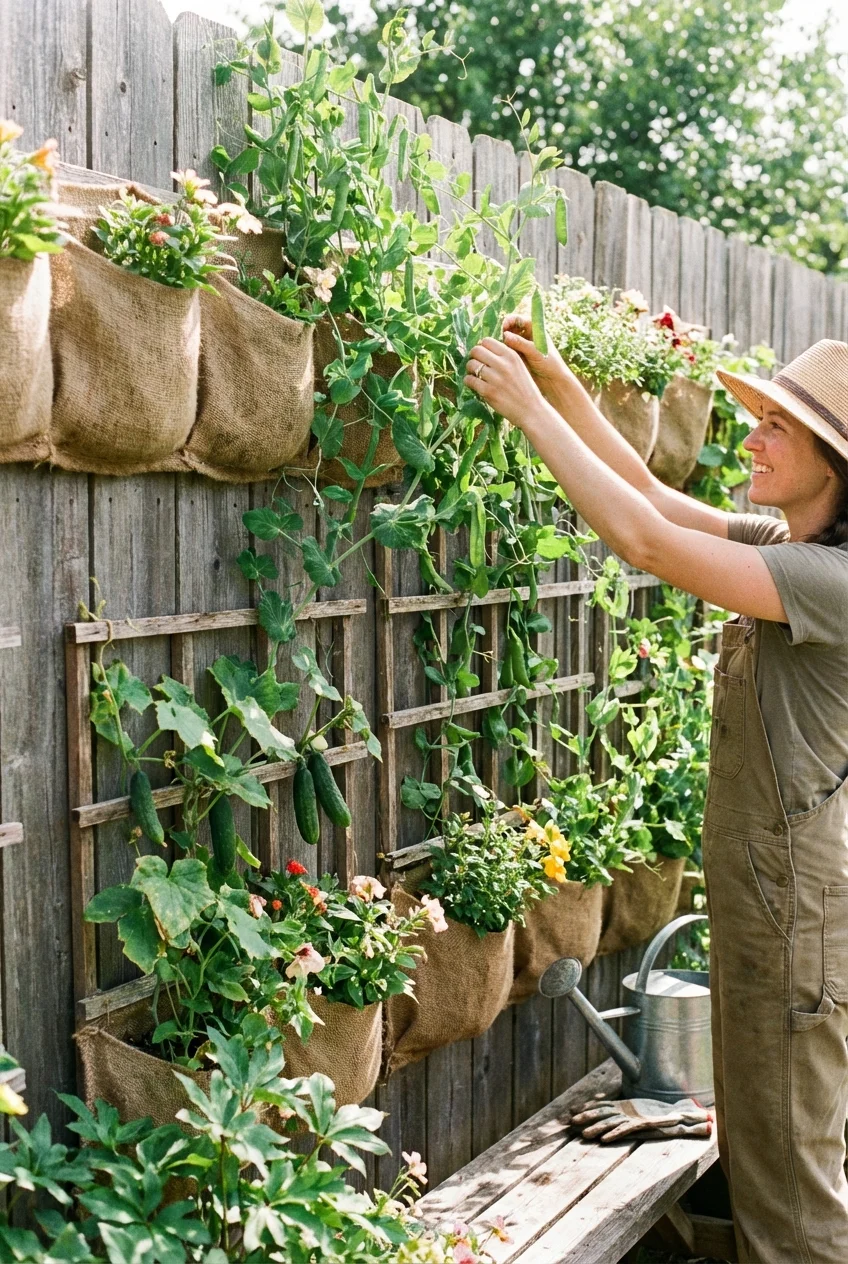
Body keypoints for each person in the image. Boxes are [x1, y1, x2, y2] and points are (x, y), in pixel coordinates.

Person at [464, 326, 848, 1264]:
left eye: (775, 430)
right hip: (777, 902)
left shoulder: (826, 578)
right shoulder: (790, 541)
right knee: (765, 1154)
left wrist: (521, 413)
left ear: (835, 464)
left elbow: (639, 539)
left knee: (793, 1205)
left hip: (800, 914)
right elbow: (652, 496)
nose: (750, 441)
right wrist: (559, 389)